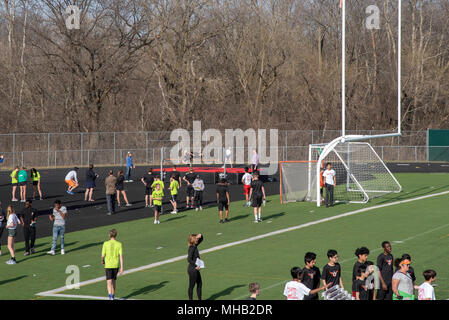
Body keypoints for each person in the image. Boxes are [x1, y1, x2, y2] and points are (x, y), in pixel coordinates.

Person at [101, 229, 124, 300]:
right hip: (115, 265)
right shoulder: (119, 244)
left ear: (109, 235)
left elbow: (102, 255)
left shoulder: (105, 243)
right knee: (113, 281)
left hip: (108, 265)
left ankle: (110, 296)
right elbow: (121, 256)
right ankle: (112, 296)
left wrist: (103, 261)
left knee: (109, 282)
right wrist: (122, 267)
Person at [187, 233, 203, 300]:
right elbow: (189, 259)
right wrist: (196, 265)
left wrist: (200, 235)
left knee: (199, 284)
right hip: (193, 269)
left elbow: (201, 239)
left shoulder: (194, 246)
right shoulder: (192, 248)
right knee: (191, 286)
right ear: (193, 240)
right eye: (196, 238)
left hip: (195, 269)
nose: (197, 239)